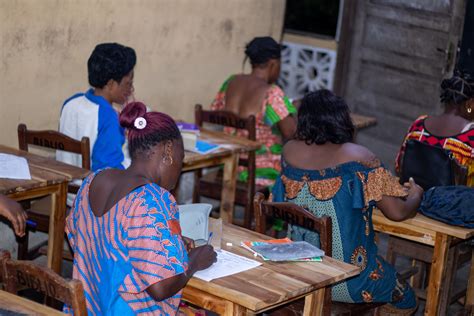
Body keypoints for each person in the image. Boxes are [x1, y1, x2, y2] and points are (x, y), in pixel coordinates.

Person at [272, 90, 423, 314]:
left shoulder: (289, 151)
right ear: (342, 119)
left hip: (298, 274)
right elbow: (397, 213)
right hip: (348, 281)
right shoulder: (359, 156)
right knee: (408, 299)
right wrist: (416, 195)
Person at [65, 101, 217, 315]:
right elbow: (161, 287)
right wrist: (194, 262)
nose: (179, 170)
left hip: (90, 308)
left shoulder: (93, 180)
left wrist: (165, 242)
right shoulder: (152, 201)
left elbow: (83, 236)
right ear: (168, 151)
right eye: (181, 160)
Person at [211, 36, 297, 186]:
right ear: (273, 63)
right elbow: (291, 132)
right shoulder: (271, 93)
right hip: (261, 173)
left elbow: (215, 111)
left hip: (229, 165)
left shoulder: (230, 82)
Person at [57, 42, 136, 171]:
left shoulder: (71, 102)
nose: (131, 89)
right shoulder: (108, 117)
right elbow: (109, 169)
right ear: (111, 84)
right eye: (128, 83)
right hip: (91, 188)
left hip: (67, 186)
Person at [395, 70, 474, 186]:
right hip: (448, 203)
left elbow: (399, 167)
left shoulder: (418, 124)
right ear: (469, 104)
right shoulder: (470, 136)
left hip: (411, 198)